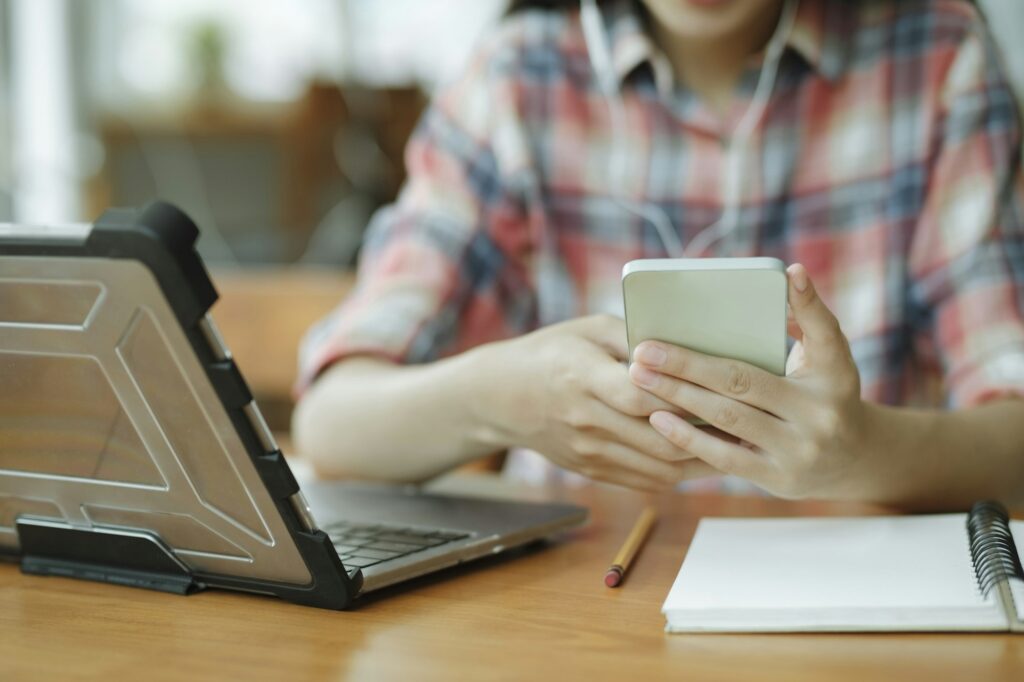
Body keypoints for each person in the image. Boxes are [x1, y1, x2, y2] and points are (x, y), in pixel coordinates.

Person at [292, 0, 1024, 510]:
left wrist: (861, 450)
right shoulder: (516, 76)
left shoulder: (937, 57)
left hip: (849, 605)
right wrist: (498, 399)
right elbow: (331, 425)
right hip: (571, 609)